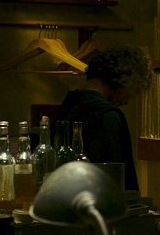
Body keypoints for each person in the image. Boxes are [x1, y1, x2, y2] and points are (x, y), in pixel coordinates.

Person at [56, 45, 154, 192]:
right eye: (134, 91)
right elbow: (112, 177)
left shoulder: (69, 103)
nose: (127, 101)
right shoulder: (108, 116)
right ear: (125, 81)